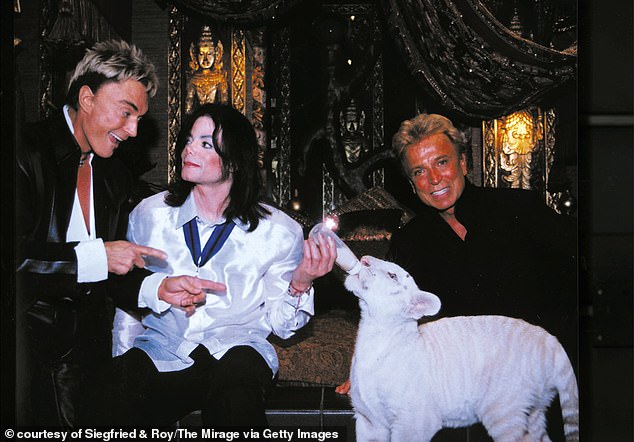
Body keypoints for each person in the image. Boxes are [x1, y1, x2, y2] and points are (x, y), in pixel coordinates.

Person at [89, 103, 336, 427]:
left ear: (234, 159)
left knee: (235, 399)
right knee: (114, 396)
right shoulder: (149, 215)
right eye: (189, 140)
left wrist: (301, 281)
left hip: (238, 350)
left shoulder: (278, 230)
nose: (188, 149)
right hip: (163, 348)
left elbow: (282, 325)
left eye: (205, 143)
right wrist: (121, 358)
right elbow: (130, 304)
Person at [337, 113, 576, 441]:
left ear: (464, 163)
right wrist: (372, 370)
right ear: (411, 184)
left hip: (537, 364)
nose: (434, 178)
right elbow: (397, 315)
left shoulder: (520, 207)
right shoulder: (410, 241)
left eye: (442, 162)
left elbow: (576, 275)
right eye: (419, 171)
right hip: (468, 385)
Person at [15, 40, 170, 427]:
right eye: (126, 112)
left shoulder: (114, 174)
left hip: (91, 361)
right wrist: (97, 257)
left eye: (139, 118)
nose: (134, 131)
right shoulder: (22, 153)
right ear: (86, 98)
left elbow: (113, 271)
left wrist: (158, 289)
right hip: (24, 360)